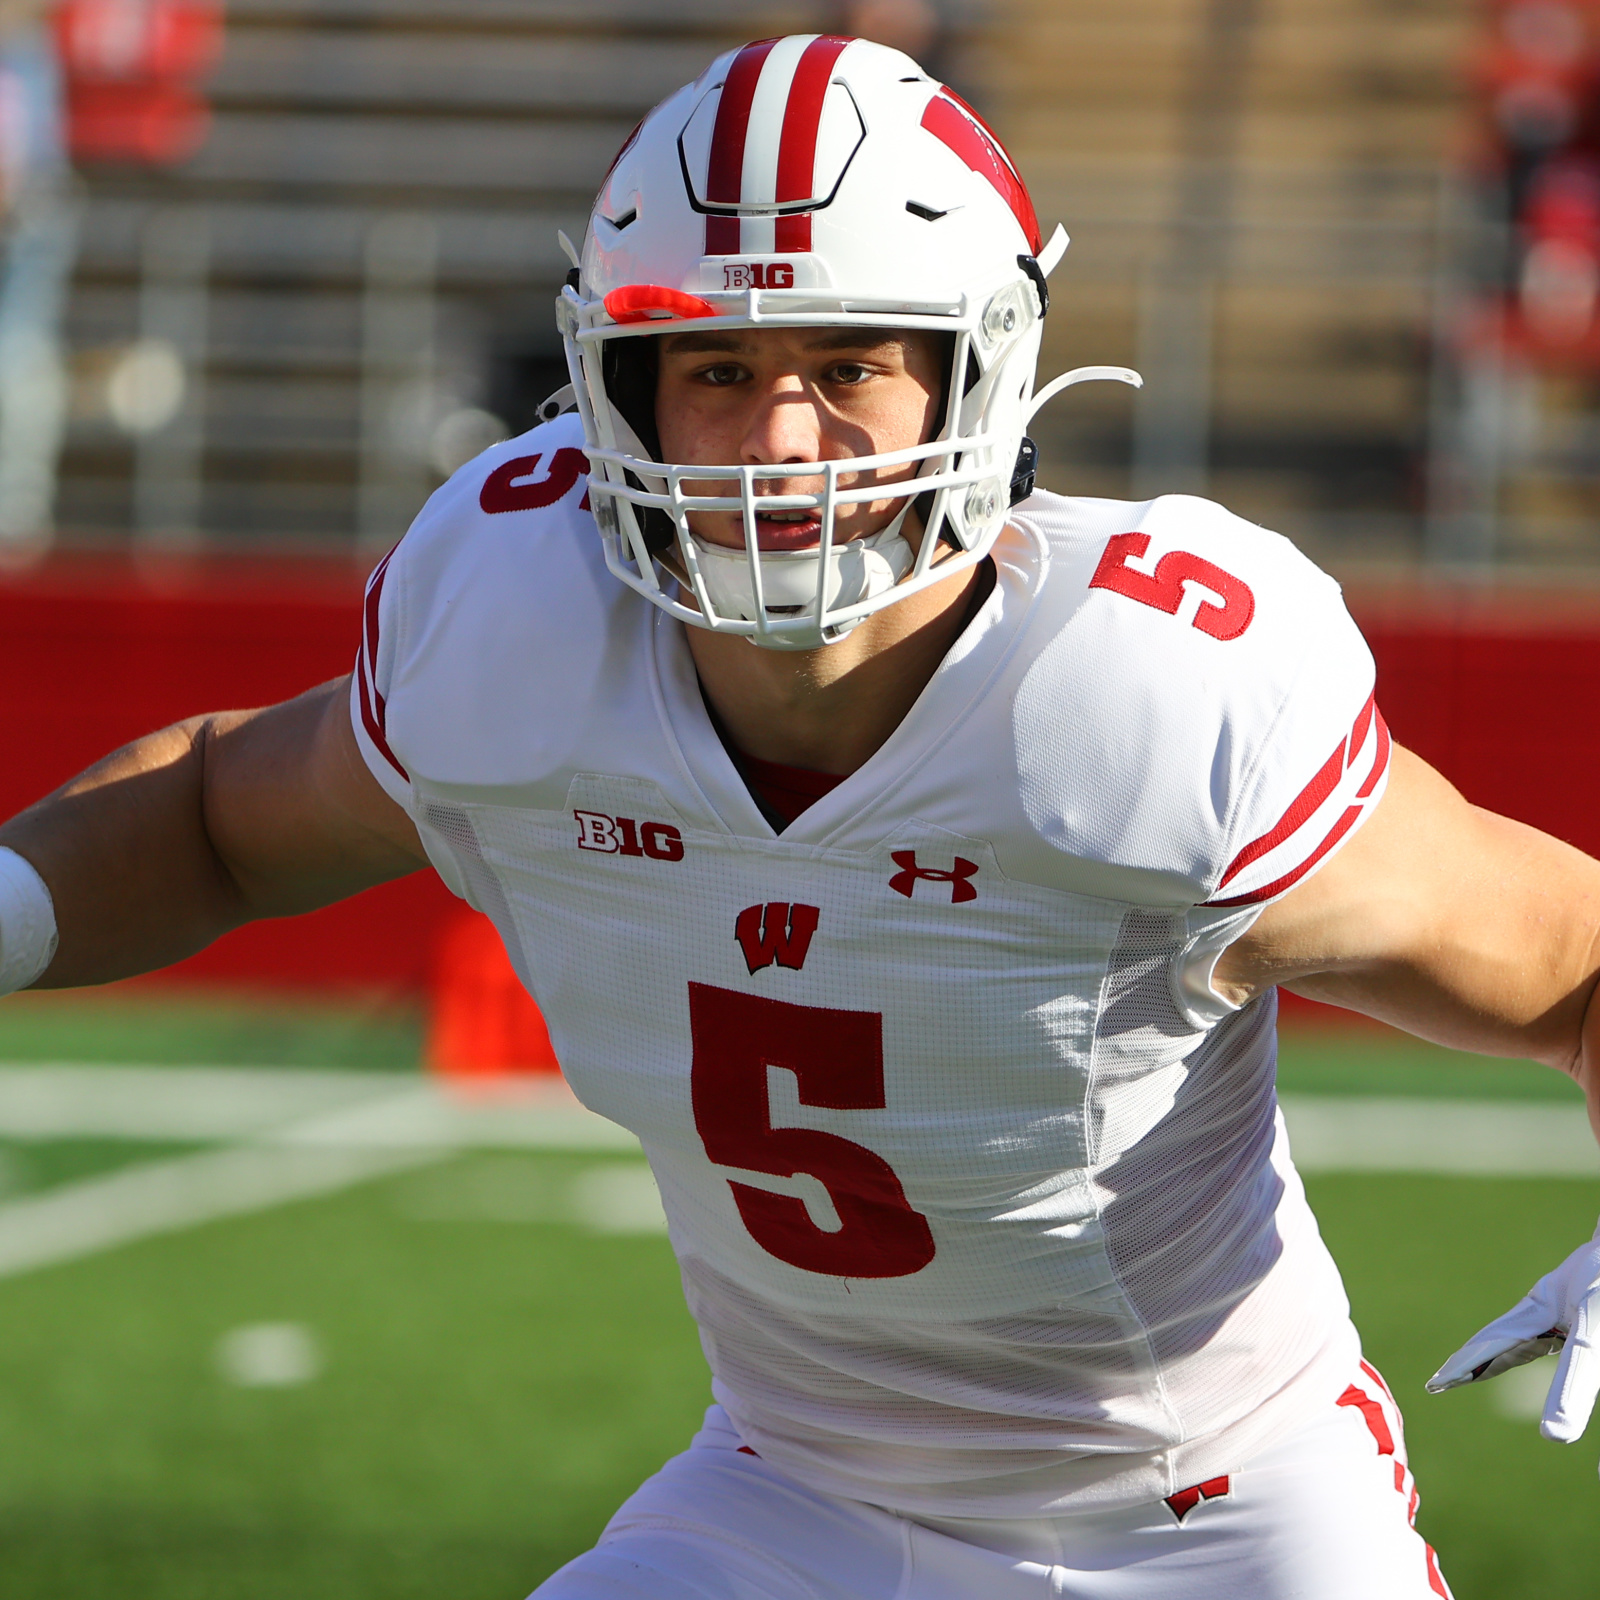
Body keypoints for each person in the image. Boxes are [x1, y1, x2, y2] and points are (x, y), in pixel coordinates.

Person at [0, 34, 1597, 1599]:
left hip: (1219, 1513)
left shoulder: (1142, 704)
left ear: (979, 368)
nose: (777, 444)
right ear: (612, 385)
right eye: (715, 369)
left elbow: (1572, 964)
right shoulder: (514, 618)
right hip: (793, 1496)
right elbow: (217, 813)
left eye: (847, 369)